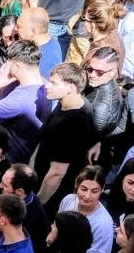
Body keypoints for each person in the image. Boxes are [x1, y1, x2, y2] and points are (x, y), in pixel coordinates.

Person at [34, 62, 94, 207]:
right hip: (39, 176)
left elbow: (57, 173)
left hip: (52, 194)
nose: (47, 86)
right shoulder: (68, 103)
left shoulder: (72, 123)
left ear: (71, 88)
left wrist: (36, 204)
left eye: (54, 83)